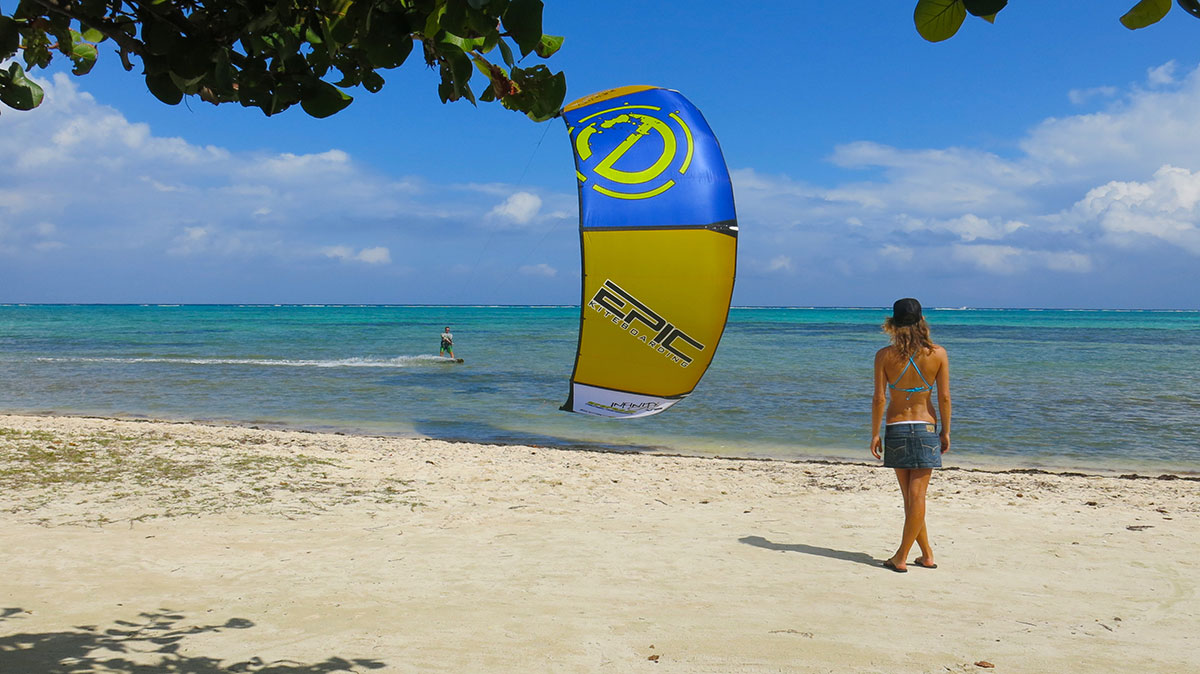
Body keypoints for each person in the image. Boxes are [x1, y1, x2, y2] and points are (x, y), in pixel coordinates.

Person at [870, 298, 951, 573]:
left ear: (892, 323)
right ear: (922, 322)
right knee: (915, 498)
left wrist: (874, 433)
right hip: (926, 428)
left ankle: (910, 555)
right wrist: (946, 431)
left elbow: (879, 398)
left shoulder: (884, 355)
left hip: (896, 428)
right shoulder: (938, 353)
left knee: (911, 498)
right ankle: (918, 554)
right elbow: (944, 397)